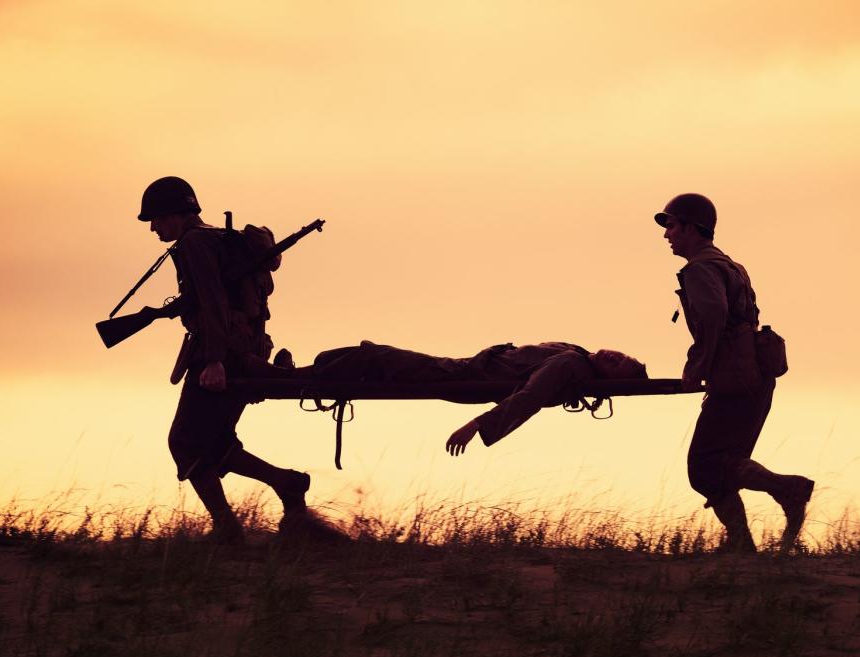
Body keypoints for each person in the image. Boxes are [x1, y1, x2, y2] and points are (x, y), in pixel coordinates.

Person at [138, 176, 312, 543]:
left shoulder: (194, 243)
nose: (153, 227)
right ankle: (286, 484)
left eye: (156, 218)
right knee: (214, 441)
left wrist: (214, 360)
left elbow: (214, 301)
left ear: (176, 214)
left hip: (220, 355)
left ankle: (227, 527)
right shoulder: (217, 239)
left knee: (184, 441)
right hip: (245, 350)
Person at [656, 193, 814, 553]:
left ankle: (787, 491)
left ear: (693, 228)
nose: (667, 235)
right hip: (752, 376)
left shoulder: (700, 268)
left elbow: (713, 317)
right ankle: (741, 546)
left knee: (704, 466)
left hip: (735, 378)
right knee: (722, 462)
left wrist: (696, 368)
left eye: (672, 225)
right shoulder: (729, 265)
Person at [281, 341, 646, 454]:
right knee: (371, 361)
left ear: (608, 381)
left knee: (372, 356)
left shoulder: (570, 365)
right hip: (463, 368)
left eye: (621, 367)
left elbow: (530, 398)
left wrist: (475, 426)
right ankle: (295, 374)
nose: (618, 357)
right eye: (624, 355)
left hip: (461, 375)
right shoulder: (577, 356)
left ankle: (284, 378)